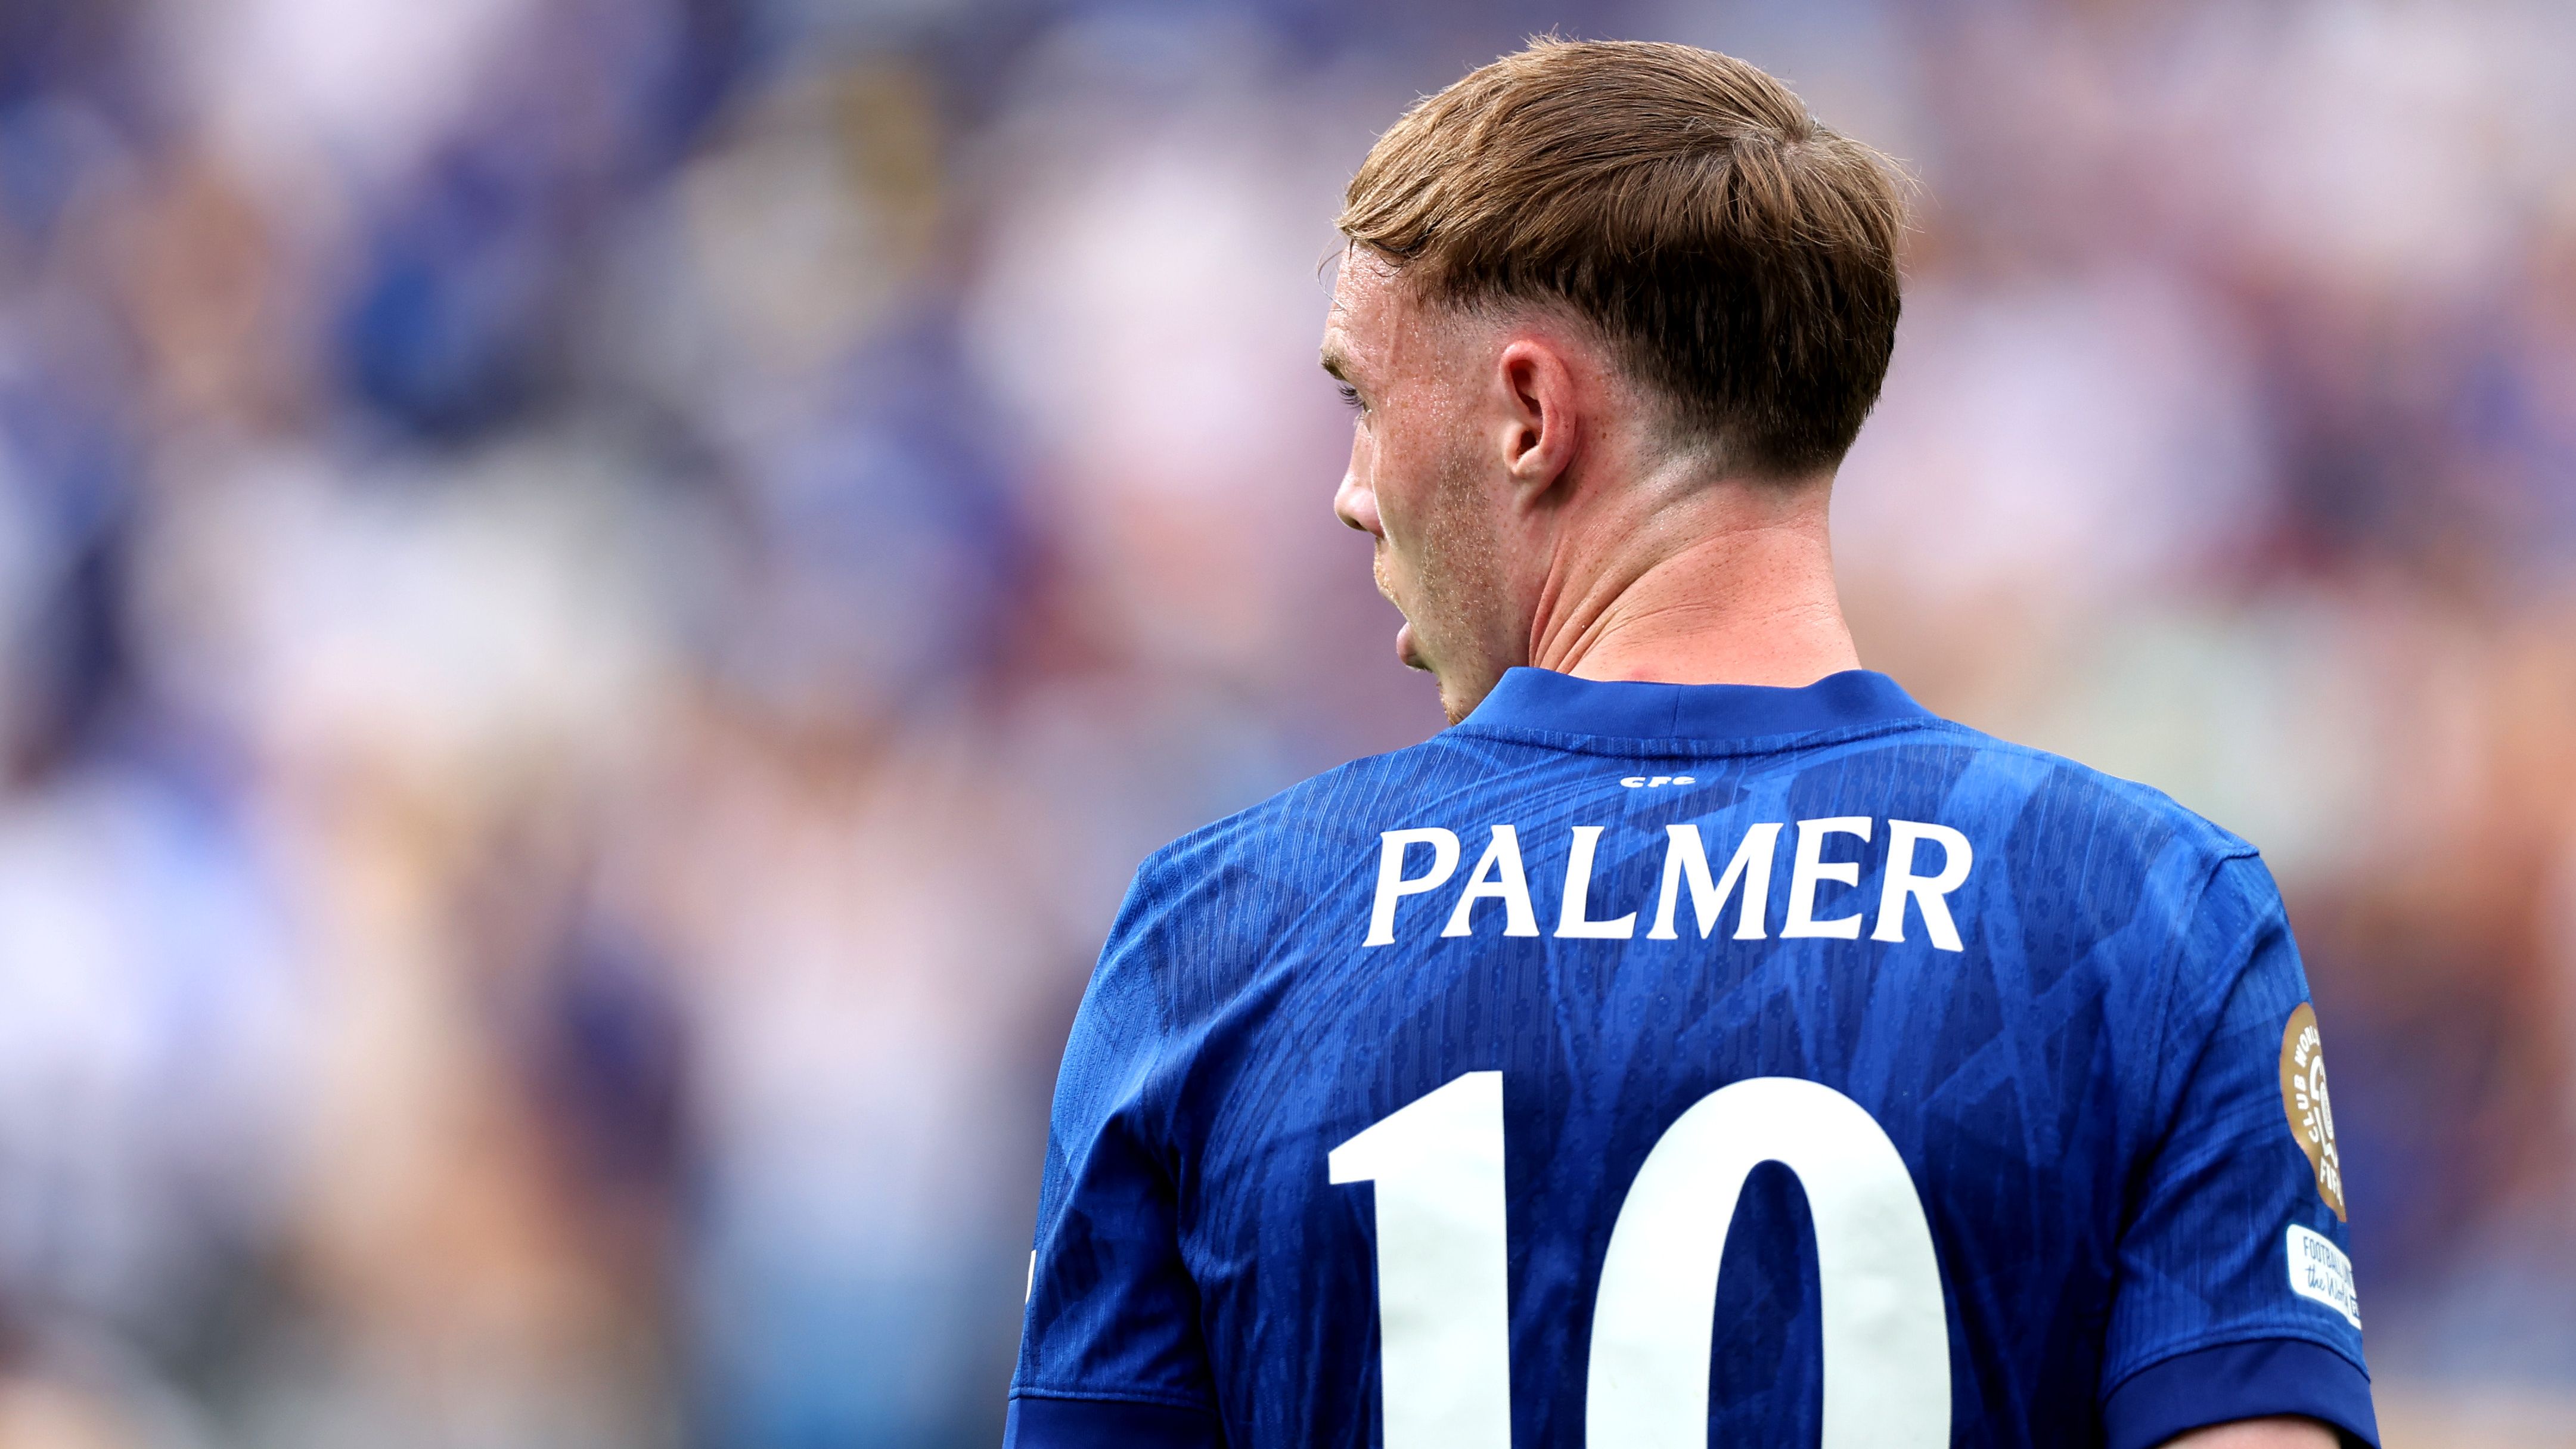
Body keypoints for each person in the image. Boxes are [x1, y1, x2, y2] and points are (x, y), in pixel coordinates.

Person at [1004, 39, 2375, 1449]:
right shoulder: (2141, 911)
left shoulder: (1220, 932)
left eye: (1363, 399)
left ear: (1529, 417)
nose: (1352, 492)